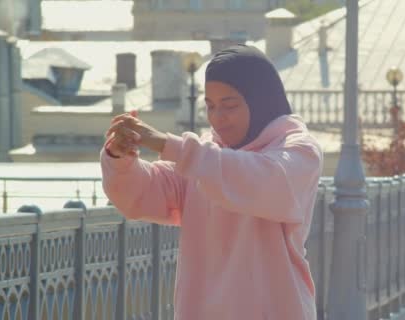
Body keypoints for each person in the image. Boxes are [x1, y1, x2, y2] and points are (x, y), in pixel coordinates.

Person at [101, 45, 323, 320]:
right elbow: (142, 195)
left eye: (229, 106)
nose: (218, 117)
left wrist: (166, 143)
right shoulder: (203, 156)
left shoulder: (299, 151)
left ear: (260, 101)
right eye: (211, 106)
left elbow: (260, 180)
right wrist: (120, 158)